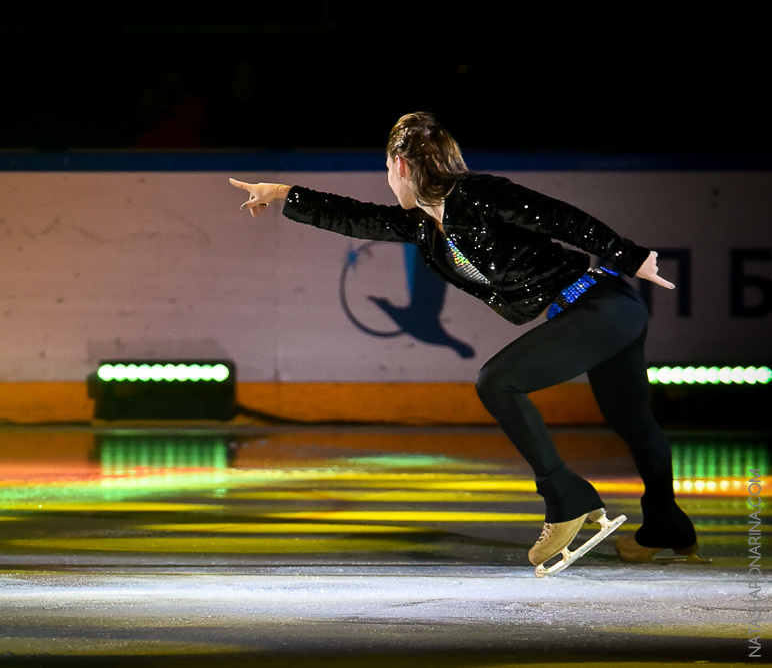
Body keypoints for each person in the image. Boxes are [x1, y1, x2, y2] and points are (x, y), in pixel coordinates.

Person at [229, 112, 704, 576]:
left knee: (497, 382)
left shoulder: (478, 193)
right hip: (602, 311)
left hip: (601, 304)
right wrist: (281, 193)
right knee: (632, 420)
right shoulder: (421, 226)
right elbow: (355, 217)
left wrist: (630, 255)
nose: (387, 178)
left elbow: (562, 220)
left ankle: (566, 495)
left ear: (400, 164)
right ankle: (666, 522)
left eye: (386, 167)